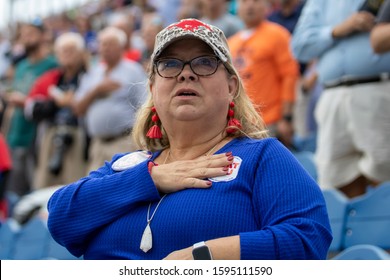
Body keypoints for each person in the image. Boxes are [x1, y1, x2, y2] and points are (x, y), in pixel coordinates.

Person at [47, 18, 332, 260]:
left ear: (231, 86)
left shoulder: (262, 157)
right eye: (170, 64)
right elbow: (60, 218)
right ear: (153, 88)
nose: (186, 74)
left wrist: (202, 256)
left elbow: (309, 239)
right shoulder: (128, 165)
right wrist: (151, 179)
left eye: (205, 63)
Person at [291, 0, 390, 198]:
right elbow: (299, 47)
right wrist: (337, 30)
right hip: (332, 95)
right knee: (335, 179)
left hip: (376, 89)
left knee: (384, 172)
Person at [73, 26, 147, 173]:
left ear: (121, 47)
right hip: (98, 145)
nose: (105, 48)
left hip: (123, 143)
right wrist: (96, 91)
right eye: (102, 44)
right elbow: (77, 109)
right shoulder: (93, 73)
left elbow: (145, 106)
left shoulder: (133, 71)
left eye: (110, 44)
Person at [228, 0, 299, 149]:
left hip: (270, 122)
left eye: (256, 1)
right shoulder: (231, 43)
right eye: (245, 2)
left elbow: (289, 76)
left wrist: (286, 118)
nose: (250, 6)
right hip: (240, 124)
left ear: (266, 7)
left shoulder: (277, 35)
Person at [24, 32, 88, 189]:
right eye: (63, 51)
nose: (67, 55)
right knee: (44, 185)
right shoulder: (50, 78)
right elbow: (30, 109)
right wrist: (56, 103)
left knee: (74, 185)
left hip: (77, 137)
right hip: (50, 135)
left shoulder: (89, 77)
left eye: (71, 50)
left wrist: (75, 103)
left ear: (81, 53)